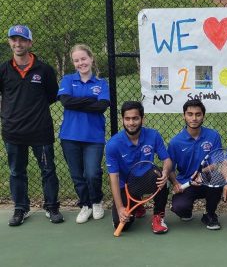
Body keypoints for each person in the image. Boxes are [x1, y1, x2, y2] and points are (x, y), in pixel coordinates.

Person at [0, 25, 64, 226]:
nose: (17, 44)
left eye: (22, 40)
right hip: (13, 131)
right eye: (14, 39)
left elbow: (52, 96)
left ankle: (52, 207)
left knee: (48, 170)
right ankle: (21, 208)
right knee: (16, 172)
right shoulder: (3, 69)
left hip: (40, 130)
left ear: (30, 42)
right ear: (10, 42)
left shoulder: (44, 69)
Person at [58, 44, 110, 224]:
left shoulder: (101, 83)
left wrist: (77, 102)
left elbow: (102, 106)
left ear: (91, 58)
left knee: (92, 173)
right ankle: (85, 205)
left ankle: (96, 201)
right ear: (73, 63)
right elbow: (65, 101)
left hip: (93, 137)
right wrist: (89, 101)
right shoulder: (67, 80)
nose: (81, 63)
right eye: (77, 60)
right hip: (69, 136)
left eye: (83, 59)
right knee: (77, 175)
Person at [105, 101, 172, 234]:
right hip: (126, 185)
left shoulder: (153, 135)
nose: (131, 123)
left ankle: (158, 216)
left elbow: (167, 160)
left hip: (146, 178)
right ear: (122, 120)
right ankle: (137, 205)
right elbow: (114, 178)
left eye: (135, 118)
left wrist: (165, 172)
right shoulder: (113, 144)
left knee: (160, 176)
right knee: (122, 226)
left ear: (142, 118)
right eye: (127, 119)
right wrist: (120, 208)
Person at [168, 99, 227, 230]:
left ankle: (210, 214)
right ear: (183, 116)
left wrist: (202, 174)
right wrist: (175, 184)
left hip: (206, 179)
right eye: (190, 114)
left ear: (203, 116)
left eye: (198, 114)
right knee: (180, 208)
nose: (194, 118)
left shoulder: (213, 136)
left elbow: (216, 161)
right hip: (186, 182)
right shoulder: (175, 142)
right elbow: (170, 169)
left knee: (217, 178)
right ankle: (187, 211)